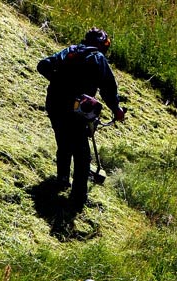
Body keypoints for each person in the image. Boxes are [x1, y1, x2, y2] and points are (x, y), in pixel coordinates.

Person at [37, 28, 126, 207]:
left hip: (55, 103)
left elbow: (43, 65)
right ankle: (78, 198)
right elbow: (108, 89)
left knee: (64, 141)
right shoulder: (98, 58)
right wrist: (117, 110)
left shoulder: (71, 51)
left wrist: (59, 83)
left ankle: (62, 179)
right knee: (82, 153)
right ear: (102, 45)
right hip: (77, 110)